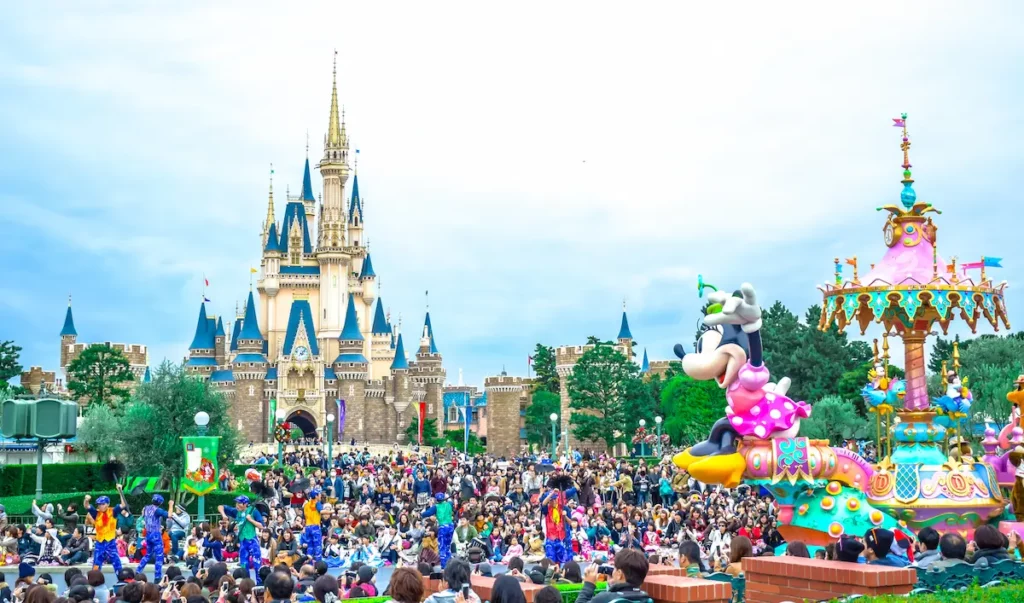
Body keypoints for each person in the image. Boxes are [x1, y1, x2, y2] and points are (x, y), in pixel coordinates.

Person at [218, 496, 264, 584]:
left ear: (245, 504)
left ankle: (259, 583)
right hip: (242, 541)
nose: (237, 505)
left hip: (252, 540)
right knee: (243, 564)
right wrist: (223, 515)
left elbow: (261, 526)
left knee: (256, 563)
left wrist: (251, 520)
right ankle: (246, 583)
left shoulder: (253, 511)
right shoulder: (236, 512)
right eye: (236, 503)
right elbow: (220, 506)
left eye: (239, 503)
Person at [577, 548, 650, 603]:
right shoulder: (645, 598)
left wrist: (589, 585)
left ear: (619, 573)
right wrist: (613, 586)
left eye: (614, 568)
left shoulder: (605, 598)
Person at [85, 485, 129, 573]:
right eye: (99, 504)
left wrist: (120, 491)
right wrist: (86, 500)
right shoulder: (96, 513)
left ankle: (121, 579)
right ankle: (95, 580)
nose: (100, 506)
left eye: (103, 504)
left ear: (108, 504)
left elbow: (123, 504)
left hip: (111, 542)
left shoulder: (113, 511)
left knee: (117, 563)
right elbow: (87, 506)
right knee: (96, 564)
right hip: (100, 542)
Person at [136, 495, 172, 580]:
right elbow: (169, 515)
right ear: (160, 503)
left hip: (148, 534)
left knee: (148, 554)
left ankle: (138, 570)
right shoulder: (158, 510)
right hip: (155, 534)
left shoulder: (146, 508)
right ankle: (157, 576)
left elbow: (145, 515)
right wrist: (171, 505)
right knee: (159, 555)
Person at [420, 494, 455, 569]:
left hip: (443, 527)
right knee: (448, 545)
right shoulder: (449, 504)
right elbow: (452, 502)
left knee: (442, 546)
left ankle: (443, 565)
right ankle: (449, 563)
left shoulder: (436, 507)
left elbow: (427, 513)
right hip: (451, 526)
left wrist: (421, 514)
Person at [302, 489, 325, 562]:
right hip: (315, 527)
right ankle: (318, 563)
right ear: (316, 496)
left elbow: (304, 517)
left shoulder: (306, 505)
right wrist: (331, 511)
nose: (320, 496)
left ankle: (309, 561)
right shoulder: (317, 503)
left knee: (310, 546)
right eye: (319, 494)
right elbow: (321, 511)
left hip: (307, 527)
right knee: (317, 545)